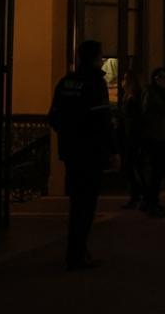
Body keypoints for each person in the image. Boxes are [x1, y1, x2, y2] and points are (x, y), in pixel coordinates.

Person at [49, 40, 117, 270]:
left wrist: (69, 134)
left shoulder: (66, 82)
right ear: (96, 58)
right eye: (101, 56)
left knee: (76, 203)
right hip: (91, 152)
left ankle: (75, 251)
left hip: (71, 151)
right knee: (86, 205)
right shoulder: (95, 83)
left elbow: (54, 117)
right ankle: (77, 253)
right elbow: (102, 120)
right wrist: (113, 150)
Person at [142, 68, 165, 217]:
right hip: (155, 137)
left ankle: (151, 201)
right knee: (156, 171)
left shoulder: (162, 93)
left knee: (161, 170)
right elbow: (163, 109)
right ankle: (151, 203)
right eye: (162, 77)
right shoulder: (152, 93)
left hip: (163, 136)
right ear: (155, 79)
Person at [118, 70, 148, 210]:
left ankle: (139, 194)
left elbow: (134, 120)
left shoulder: (133, 99)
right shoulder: (129, 97)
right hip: (130, 137)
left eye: (125, 79)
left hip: (133, 138)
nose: (122, 82)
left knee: (133, 167)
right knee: (133, 167)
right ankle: (139, 195)